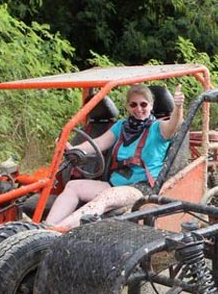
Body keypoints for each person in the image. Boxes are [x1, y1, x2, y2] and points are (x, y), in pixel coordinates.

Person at [45, 84, 184, 228]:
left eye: (143, 104)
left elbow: (174, 125)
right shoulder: (121, 126)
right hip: (115, 183)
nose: (139, 109)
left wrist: (178, 107)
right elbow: (97, 144)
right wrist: (72, 148)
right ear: (128, 106)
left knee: (105, 198)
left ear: (151, 105)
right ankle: (46, 227)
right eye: (133, 105)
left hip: (141, 188)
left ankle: (58, 231)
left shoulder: (158, 127)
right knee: (73, 186)